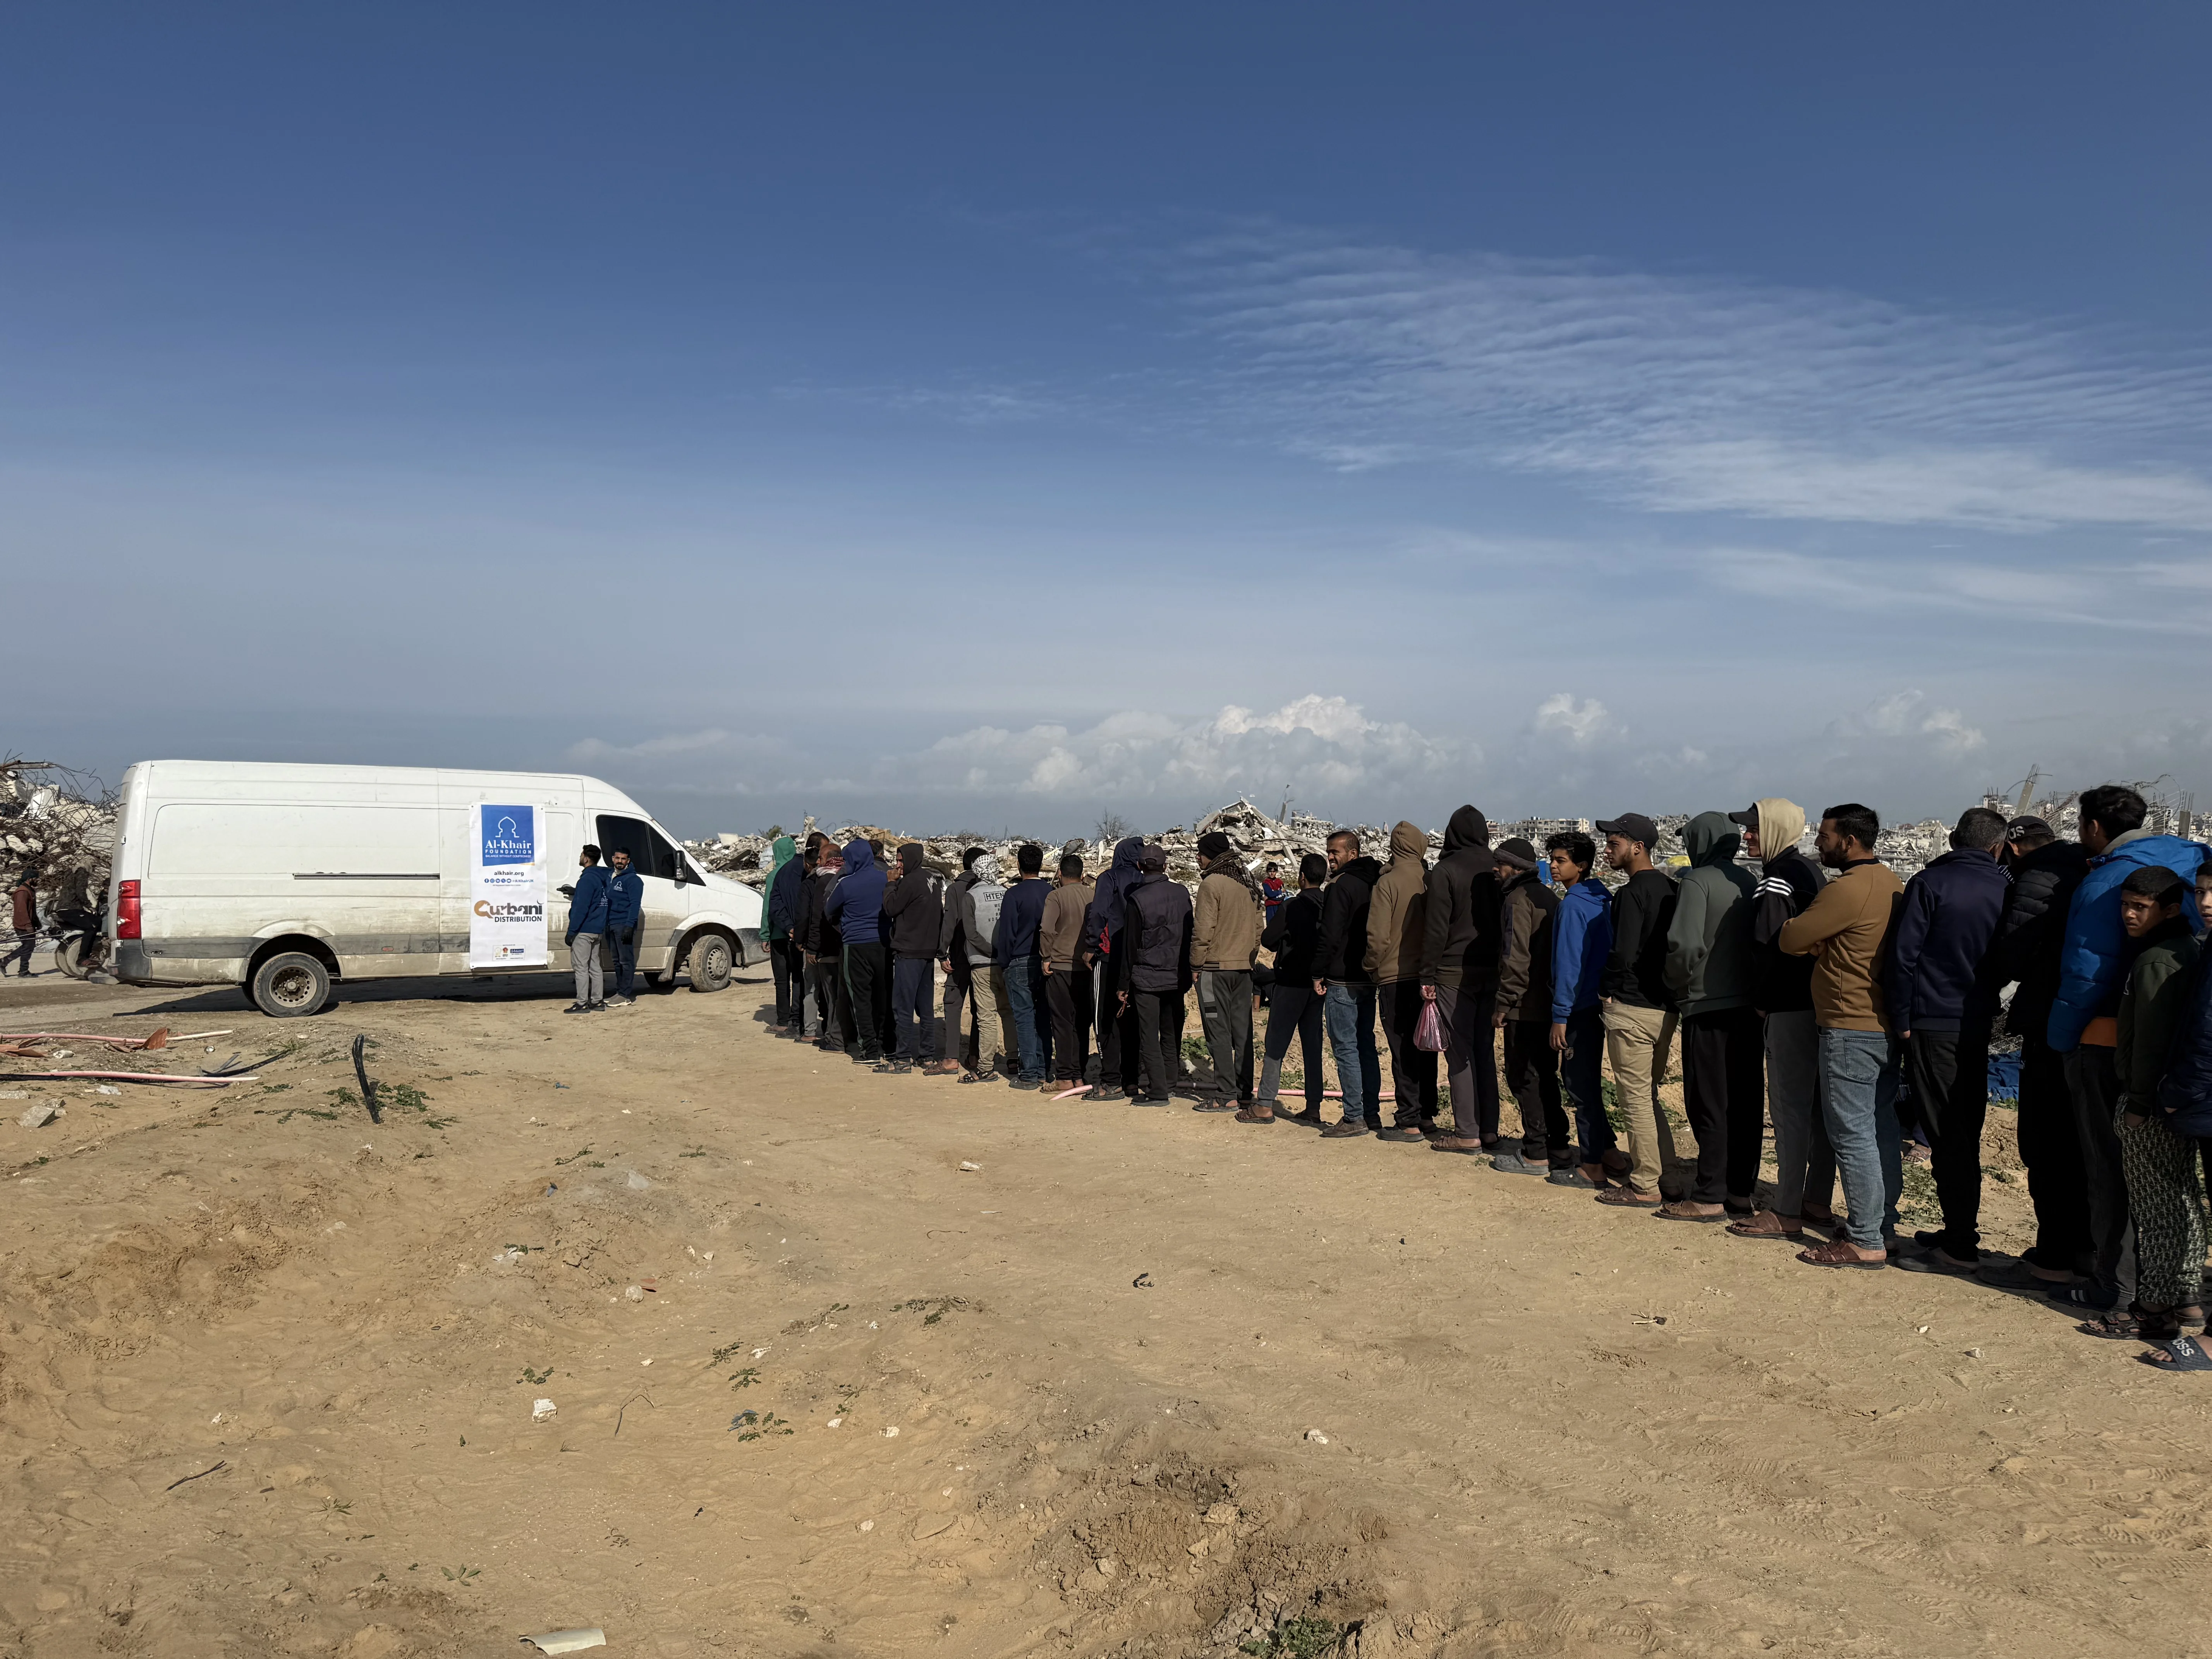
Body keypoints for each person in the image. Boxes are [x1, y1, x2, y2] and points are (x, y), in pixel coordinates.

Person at [2047, 783, 2211, 1320]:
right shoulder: (2187, 865)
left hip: (2109, 1046)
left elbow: (2086, 969)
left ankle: (2119, 1288)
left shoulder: (2110, 882)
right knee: (2167, 1187)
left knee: (2112, 1172)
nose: (2131, 915)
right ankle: (2169, 1290)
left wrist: (2061, 1037)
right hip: (2173, 1065)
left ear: (2093, 828)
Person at [1885, 807, 2012, 1273]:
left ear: (1955, 839)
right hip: (1974, 1022)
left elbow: (1903, 958)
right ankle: (1960, 1229)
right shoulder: (2005, 888)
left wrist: (1901, 1017)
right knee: (1965, 1129)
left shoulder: (1931, 884)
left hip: (1932, 1022)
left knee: (1944, 1133)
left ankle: (1960, 1243)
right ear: (1996, 847)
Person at [1780, 804, 1906, 1270]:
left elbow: (1791, 938)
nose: (1819, 843)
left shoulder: (1847, 890)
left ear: (1850, 841)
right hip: (1882, 1025)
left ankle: (1865, 1237)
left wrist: (1819, 941)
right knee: (1880, 1130)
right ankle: (1882, 1225)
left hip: (1849, 1024)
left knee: (1851, 1134)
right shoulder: (1892, 882)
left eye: (1827, 836)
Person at [1985, 814, 2090, 1283]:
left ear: (2013, 848)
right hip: (2094, 1027)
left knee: (2046, 1142)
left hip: (2050, 1020)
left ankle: (2054, 1257)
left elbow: (2012, 951)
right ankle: (2088, 1253)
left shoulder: (2038, 879)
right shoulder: (2092, 870)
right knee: (2084, 1144)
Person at [1726, 800, 1836, 1242]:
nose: (1747, 837)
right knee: (1818, 1112)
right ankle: (1815, 1200)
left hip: (1788, 1006)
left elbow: (1770, 947)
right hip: (1817, 1003)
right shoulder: (1809, 872)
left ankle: (1787, 1210)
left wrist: (1761, 1001)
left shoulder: (1776, 879)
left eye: (1753, 829)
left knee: (1789, 1112)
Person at [2106, 866, 2205, 1351]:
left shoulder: (2156, 961)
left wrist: (2139, 1103)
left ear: (2168, 909)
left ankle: (2155, 1308)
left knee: (2157, 1208)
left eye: (2140, 907)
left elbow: (2149, 1042)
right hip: (2182, 1099)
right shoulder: (2190, 950)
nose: (2128, 914)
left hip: (2151, 1101)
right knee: (2183, 1198)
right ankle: (2186, 1295)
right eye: (2125, 904)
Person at [1660, 812, 1762, 1222]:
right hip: (1748, 1008)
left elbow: (1684, 946)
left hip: (1706, 1005)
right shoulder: (1747, 881)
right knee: (1744, 1101)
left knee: (1709, 1101)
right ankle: (1741, 1191)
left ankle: (1708, 1195)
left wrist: (1676, 983)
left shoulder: (1696, 881)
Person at [1592, 813, 1679, 1208]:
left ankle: (1645, 1184)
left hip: (1632, 1007)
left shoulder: (1631, 895)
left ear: (1638, 847)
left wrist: (1607, 989)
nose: (1608, 850)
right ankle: (1667, 1176)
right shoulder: (1671, 889)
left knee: (1635, 1100)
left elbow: (1623, 952)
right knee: (1649, 1096)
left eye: (1615, 844)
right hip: (1664, 1008)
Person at [1419, 806, 1503, 1156]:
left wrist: (1427, 974)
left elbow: (1437, 929)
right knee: (1484, 1051)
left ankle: (1467, 1132)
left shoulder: (1446, 871)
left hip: (1454, 973)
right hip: (1493, 971)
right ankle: (1490, 1131)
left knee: (1459, 1054)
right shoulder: (1497, 866)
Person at [1486, 837, 1568, 1176]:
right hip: (1546, 1002)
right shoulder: (1547, 896)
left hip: (1525, 1004)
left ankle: (1536, 1152)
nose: (1495, 870)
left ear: (1515, 869)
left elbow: (1515, 957)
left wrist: (1504, 1003)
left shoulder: (1518, 900)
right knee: (1546, 1076)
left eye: (1500, 865)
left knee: (1523, 1077)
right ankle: (1558, 1147)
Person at [1547, 831, 1624, 1188]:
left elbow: (1568, 965)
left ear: (1581, 866)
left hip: (1578, 1006)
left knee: (1579, 1086)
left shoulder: (1573, 906)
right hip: (1598, 1003)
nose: (1553, 865)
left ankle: (1592, 1164)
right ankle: (1608, 1151)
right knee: (1590, 1082)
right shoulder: (1601, 898)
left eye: (1561, 860)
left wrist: (1560, 1016)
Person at [1367, 821, 1438, 1140]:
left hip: (1395, 977)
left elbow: (1377, 937)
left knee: (1402, 1050)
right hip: (1428, 978)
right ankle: (1426, 1115)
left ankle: (1408, 1120)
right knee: (1426, 1046)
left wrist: (1371, 967)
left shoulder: (1387, 884)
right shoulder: (1431, 880)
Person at [1312, 829, 1384, 1139]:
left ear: (1353, 854)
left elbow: (1329, 934)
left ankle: (1354, 1116)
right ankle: (1372, 1114)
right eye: (1329, 852)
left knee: (1346, 1048)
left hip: (1342, 978)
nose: (1330, 857)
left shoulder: (1340, 887)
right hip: (1369, 976)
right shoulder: (1376, 882)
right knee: (1366, 1046)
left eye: (1336, 852)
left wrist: (1318, 971)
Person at [1190, 831, 1263, 1116]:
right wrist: (1248, 957)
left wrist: (1196, 965)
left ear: (1211, 855)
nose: (1198, 857)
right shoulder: (1247, 883)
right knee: (1243, 1033)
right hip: (1243, 971)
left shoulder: (1212, 884)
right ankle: (1245, 1093)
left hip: (1214, 971)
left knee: (1217, 1032)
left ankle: (1225, 1095)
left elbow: (1203, 930)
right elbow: (1259, 930)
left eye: (1201, 852)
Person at [1255, 852, 1329, 1126]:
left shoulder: (1291, 906)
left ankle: (1264, 1105)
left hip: (1290, 982)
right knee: (1313, 1047)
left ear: (1301, 877)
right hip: (1319, 984)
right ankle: (1314, 1107)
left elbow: (1269, 940)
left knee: (1276, 1044)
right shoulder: (1329, 906)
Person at [1120, 844, 1194, 1106]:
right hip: (1177, 975)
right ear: (1165, 866)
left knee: (1149, 1036)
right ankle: (1171, 1083)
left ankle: (1158, 1091)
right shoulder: (1182, 893)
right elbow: (1190, 934)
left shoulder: (1137, 900)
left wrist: (1123, 982)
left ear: (1141, 868)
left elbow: (1130, 946)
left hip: (1147, 977)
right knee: (1172, 1032)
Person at [1080, 836, 1148, 1101]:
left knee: (1104, 1018)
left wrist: (1091, 944)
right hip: (1138, 960)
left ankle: (1110, 1081)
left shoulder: (1109, 879)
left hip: (1109, 957)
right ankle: (1131, 1080)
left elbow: (1099, 912)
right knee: (1131, 1020)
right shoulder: (1144, 881)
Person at [826, 838, 890, 1064]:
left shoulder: (846, 883)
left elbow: (829, 909)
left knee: (861, 999)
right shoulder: (885, 879)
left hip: (855, 947)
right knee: (883, 996)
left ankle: (869, 1052)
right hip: (883, 945)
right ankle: (888, 1048)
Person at [881, 842, 944, 1073]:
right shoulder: (933, 882)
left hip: (909, 952)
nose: (898, 865)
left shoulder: (909, 882)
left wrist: (890, 884)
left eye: (901, 861)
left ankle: (903, 1058)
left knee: (903, 1007)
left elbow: (891, 908)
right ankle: (927, 1056)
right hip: (927, 952)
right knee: (926, 1007)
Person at [997, 844, 1054, 1088]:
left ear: (1019, 865)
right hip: (1046, 963)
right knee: (1043, 1018)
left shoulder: (1013, 895)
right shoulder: (1051, 892)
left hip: (1019, 961)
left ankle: (1029, 1075)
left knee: (1024, 1019)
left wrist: (1004, 963)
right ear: (1041, 865)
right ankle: (1044, 1071)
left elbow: (1007, 934)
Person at [929, 847, 989, 1076]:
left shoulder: (956, 889)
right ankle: (975, 1055)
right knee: (980, 1008)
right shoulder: (989, 890)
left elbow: (950, 923)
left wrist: (942, 953)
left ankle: (951, 1058)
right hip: (984, 957)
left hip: (959, 957)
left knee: (953, 1005)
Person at [1040, 852, 1095, 1094]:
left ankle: (1064, 1078)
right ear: (1083, 875)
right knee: (1082, 1024)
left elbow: (1047, 929)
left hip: (1061, 967)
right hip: (1088, 970)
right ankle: (1079, 1076)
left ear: (1060, 874)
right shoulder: (1093, 895)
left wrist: (1046, 957)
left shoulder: (1055, 896)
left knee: (1062, 1024)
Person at [954, 852, 1009, 1082]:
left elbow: (971, 934)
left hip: (981, 964)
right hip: (1005, 962)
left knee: (986, 1017)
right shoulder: (1006, 894)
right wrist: (1002, 951)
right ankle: (1014, 1058)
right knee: (1008, 1013)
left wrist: (988, 950)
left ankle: (986, 1066)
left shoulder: (971, 896)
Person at [800, 839, 853, 1051]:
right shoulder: (845, 878)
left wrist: (812, 948)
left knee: (832, 997)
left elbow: (817, 919)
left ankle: (834, 1038)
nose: (817, 862)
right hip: (843, 947)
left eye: (821, 858)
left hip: (828, 949)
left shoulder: (824, 882)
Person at [562, 844, 611, 1014]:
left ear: (587, 858)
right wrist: (576, 891)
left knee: (581, 968)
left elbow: (581, 909)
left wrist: (571, 932)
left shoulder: (586, 879)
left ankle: (582, 1003)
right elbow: (596, 898)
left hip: (584, 930)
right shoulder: (603, 878)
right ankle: (597, 1002)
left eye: (582, 854)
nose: (580, 857)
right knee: (595, 967)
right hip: (598, 929)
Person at [762, 833, 804, 1030]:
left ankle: (782, 1022)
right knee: (798, 977)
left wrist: (765, 935)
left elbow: (768, 908)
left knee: (781, 981)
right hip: (797, 934)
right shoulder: (802, 872)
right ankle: (797, 1019)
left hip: (779, 935)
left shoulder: (774, 875)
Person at [605, 847, 644, 1007]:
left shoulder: (633, 880)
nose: (620, 861)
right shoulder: (610, 876)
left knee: (626, 961)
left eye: (624, 859)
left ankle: (625, 995)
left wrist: (629, 926)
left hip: (624, 925)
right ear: (613, 858)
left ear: (628, 861)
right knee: (616, 961)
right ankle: (619, 992)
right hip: (610, 924)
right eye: (618, 858)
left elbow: (635, 904)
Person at [4, 868, 36, 978]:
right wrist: (28, 925)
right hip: (22, 925)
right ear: (29, 879)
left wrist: (36, 922)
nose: (38, 880)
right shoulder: (23, 892)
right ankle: (23, 971)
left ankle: (5, 962)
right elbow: (21, 910)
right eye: (36, 878)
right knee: (28, 947)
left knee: (28, 947)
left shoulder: (28, 890)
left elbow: (31, 910)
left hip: (26, 924)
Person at [1261, 863, 1286, 927]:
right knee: (1271, 924)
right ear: (1267, 872)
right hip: (1271, 906)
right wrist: (1279, 892)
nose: (1272, 873)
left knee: (1280, 923)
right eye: (1270, 871)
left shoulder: (1279, 882)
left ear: (1276, 872)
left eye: (1274, 871)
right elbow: (1271, 894)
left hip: (1279, 905)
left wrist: (1273, 896)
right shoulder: (1266, 883)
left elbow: (1284, 894)